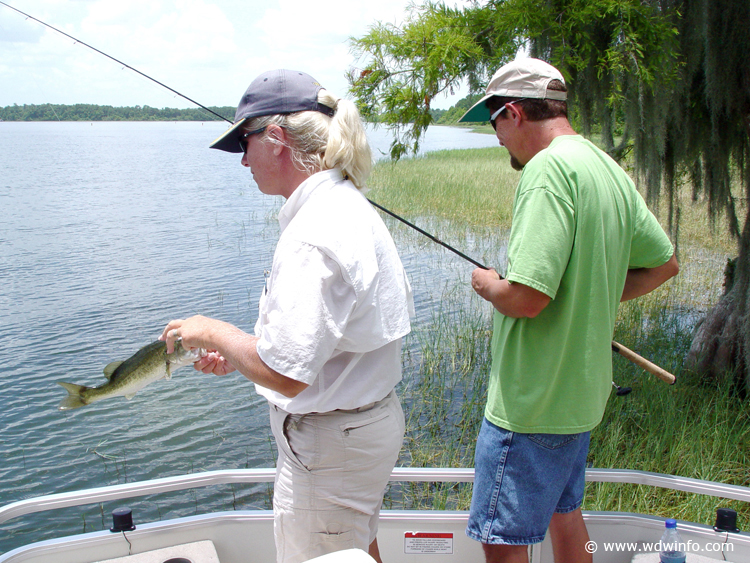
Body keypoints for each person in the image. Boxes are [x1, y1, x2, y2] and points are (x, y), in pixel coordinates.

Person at [161, 69, 413, 563]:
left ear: (274, 139)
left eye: (243, 142)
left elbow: (284, 372)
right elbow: (318, 346)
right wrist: (240, 354)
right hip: (359, 433)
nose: (242, 160)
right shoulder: (345, 204)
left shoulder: (313, 232)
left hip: (330, 448)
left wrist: (213, 331)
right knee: (357, 549)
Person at [457, 58, 679, 563]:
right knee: (566, 518)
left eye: (494, 123)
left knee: (504, 543)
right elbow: (665, 263)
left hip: (530, 405)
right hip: (578, 403)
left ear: (513, 112)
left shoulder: (547, 169)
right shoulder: (605, 167)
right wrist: (590, 291)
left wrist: (490, 284)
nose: (496, 139)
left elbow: (527, 298)